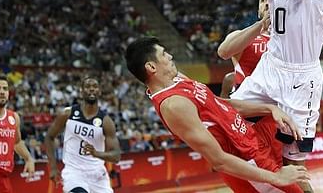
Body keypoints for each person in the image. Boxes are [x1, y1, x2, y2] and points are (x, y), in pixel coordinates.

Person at [137, 0, 323, 192]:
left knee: (293, 166)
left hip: (302, 78)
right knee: (225, 121)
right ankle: (246, 179)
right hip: (270, 69)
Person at [125, 37, 309, 192]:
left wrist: (270, 109)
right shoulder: (173, 105)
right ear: (151, 66)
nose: (170, 56)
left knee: (297, 162)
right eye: (164, 54)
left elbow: (221, 104)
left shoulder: (178, 80)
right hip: (246, 159)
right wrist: (276, 178)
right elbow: (219, 161)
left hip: (252, 138)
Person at [45, 77, 121, 193]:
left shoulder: (106, 121)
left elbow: (116, 156)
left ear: (99, 91)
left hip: (97, 175)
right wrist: (53, 168)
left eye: (95, 87)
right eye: (88, 87)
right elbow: (49, 137)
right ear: (81, 91)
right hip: (74, 172)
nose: (91, 89)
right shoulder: (67, 114)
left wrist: (96, 153)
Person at [0, 75, 35, 193]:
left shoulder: (14, 117)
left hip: (4, 180)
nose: (2, 92)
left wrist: (28, 158)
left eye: (5, 89)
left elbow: (17, 142)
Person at [217, 0, 270, 98]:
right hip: (250, 103)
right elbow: (223, 52)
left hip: (282, 103)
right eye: (263, 0)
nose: (268, 3)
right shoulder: (243, 36)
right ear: (259, 11)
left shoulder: (295, 39)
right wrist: (261, 25)